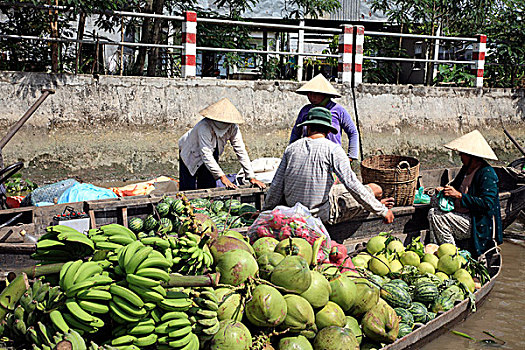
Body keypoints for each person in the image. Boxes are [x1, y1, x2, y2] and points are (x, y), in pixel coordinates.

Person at [264, 107, 394, 225]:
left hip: (294, 210)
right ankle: (372, 205)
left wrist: (265, 211)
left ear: (308, 127)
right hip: (320, 214)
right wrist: (382, 211)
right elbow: (351, 183)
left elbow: (276, 185)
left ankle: (371, 205)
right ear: (327, 130)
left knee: (349, 190)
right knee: (376, 190)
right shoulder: (333, 149)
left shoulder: (291, 148)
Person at [427, 130, 502, 258]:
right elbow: (455, 186)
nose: (460, 157)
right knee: (434, 201)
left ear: (471, 156)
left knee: (436, 216)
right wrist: (446, 190)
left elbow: (487, 204)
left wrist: (460, 196)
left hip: (477, 222)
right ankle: (436, 247)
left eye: (462, 154)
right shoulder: (466, 169)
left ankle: (452, 255)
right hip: (461, 212)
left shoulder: (487, 174)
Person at [178, 98, 266, 191]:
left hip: (212, 152)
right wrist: (222, 177)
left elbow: (241, 151)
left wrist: (251, 177)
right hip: (190, 152)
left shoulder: (233, 128)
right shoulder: (204, 127)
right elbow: (206, 154)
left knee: (208, 186)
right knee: (188, 188)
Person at [290, 74, 360, 162]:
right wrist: (291, 152)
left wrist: (351, 156)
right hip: (308, 155)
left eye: (315, 94)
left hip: (332, 157)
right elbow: (296, 132)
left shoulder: (338, 110)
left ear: (325, 94)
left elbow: (352, 132)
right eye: (309, 93)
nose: (311, 97)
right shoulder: (305, 110)